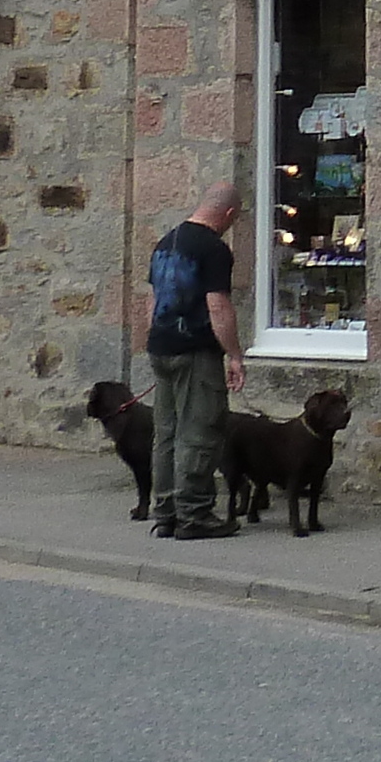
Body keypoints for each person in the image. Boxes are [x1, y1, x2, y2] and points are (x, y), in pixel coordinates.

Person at [143, 184, 244, 538]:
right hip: (196, 350)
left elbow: (152, 301)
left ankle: (165, 510)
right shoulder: (213, 248)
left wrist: (155, 340)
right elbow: (218, 306)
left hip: (161, 345)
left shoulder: (165, 242)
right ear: (229, 215)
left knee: (166, 433)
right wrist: (234, 354)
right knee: (200, 429)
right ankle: (195, 513)